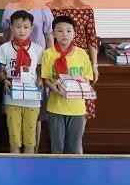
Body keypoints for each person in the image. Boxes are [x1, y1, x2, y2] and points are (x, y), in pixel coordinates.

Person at [41, 15, 93, 154]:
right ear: (53, 34)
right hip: (56, 107)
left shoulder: (82, 54)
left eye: (69, 31)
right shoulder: (48, 54)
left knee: (75, 147)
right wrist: (56, 89)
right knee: (57, 147)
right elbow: (46, 79)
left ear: (74, 33)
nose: (64, 34)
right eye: (60, 31)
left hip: (77, 108)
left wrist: (76, 86)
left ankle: (75, 169)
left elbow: (88, 78)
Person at [46, 0, 99, 119]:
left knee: (81, 100)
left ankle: (78, 131)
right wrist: (52, 57)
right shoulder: (49, 7)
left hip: (80, 60)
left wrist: (94, 64)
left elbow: (91, 38)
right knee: (60, 94)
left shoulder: (85, 9)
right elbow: (49, 35)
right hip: (58, 59)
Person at [0, 10, 43, 154]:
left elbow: (40, 71)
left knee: (30, 141)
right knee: (14, 140)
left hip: (32, 100)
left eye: (26, 27)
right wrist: (4, 80)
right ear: (11, 27)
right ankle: (14, 165)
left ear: (31, 28)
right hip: (12, 99)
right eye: (18, 26)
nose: (22, 30)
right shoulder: (4, 48)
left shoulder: (38, 49)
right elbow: (1, 71)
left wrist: (40, 80)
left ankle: (29, 166)